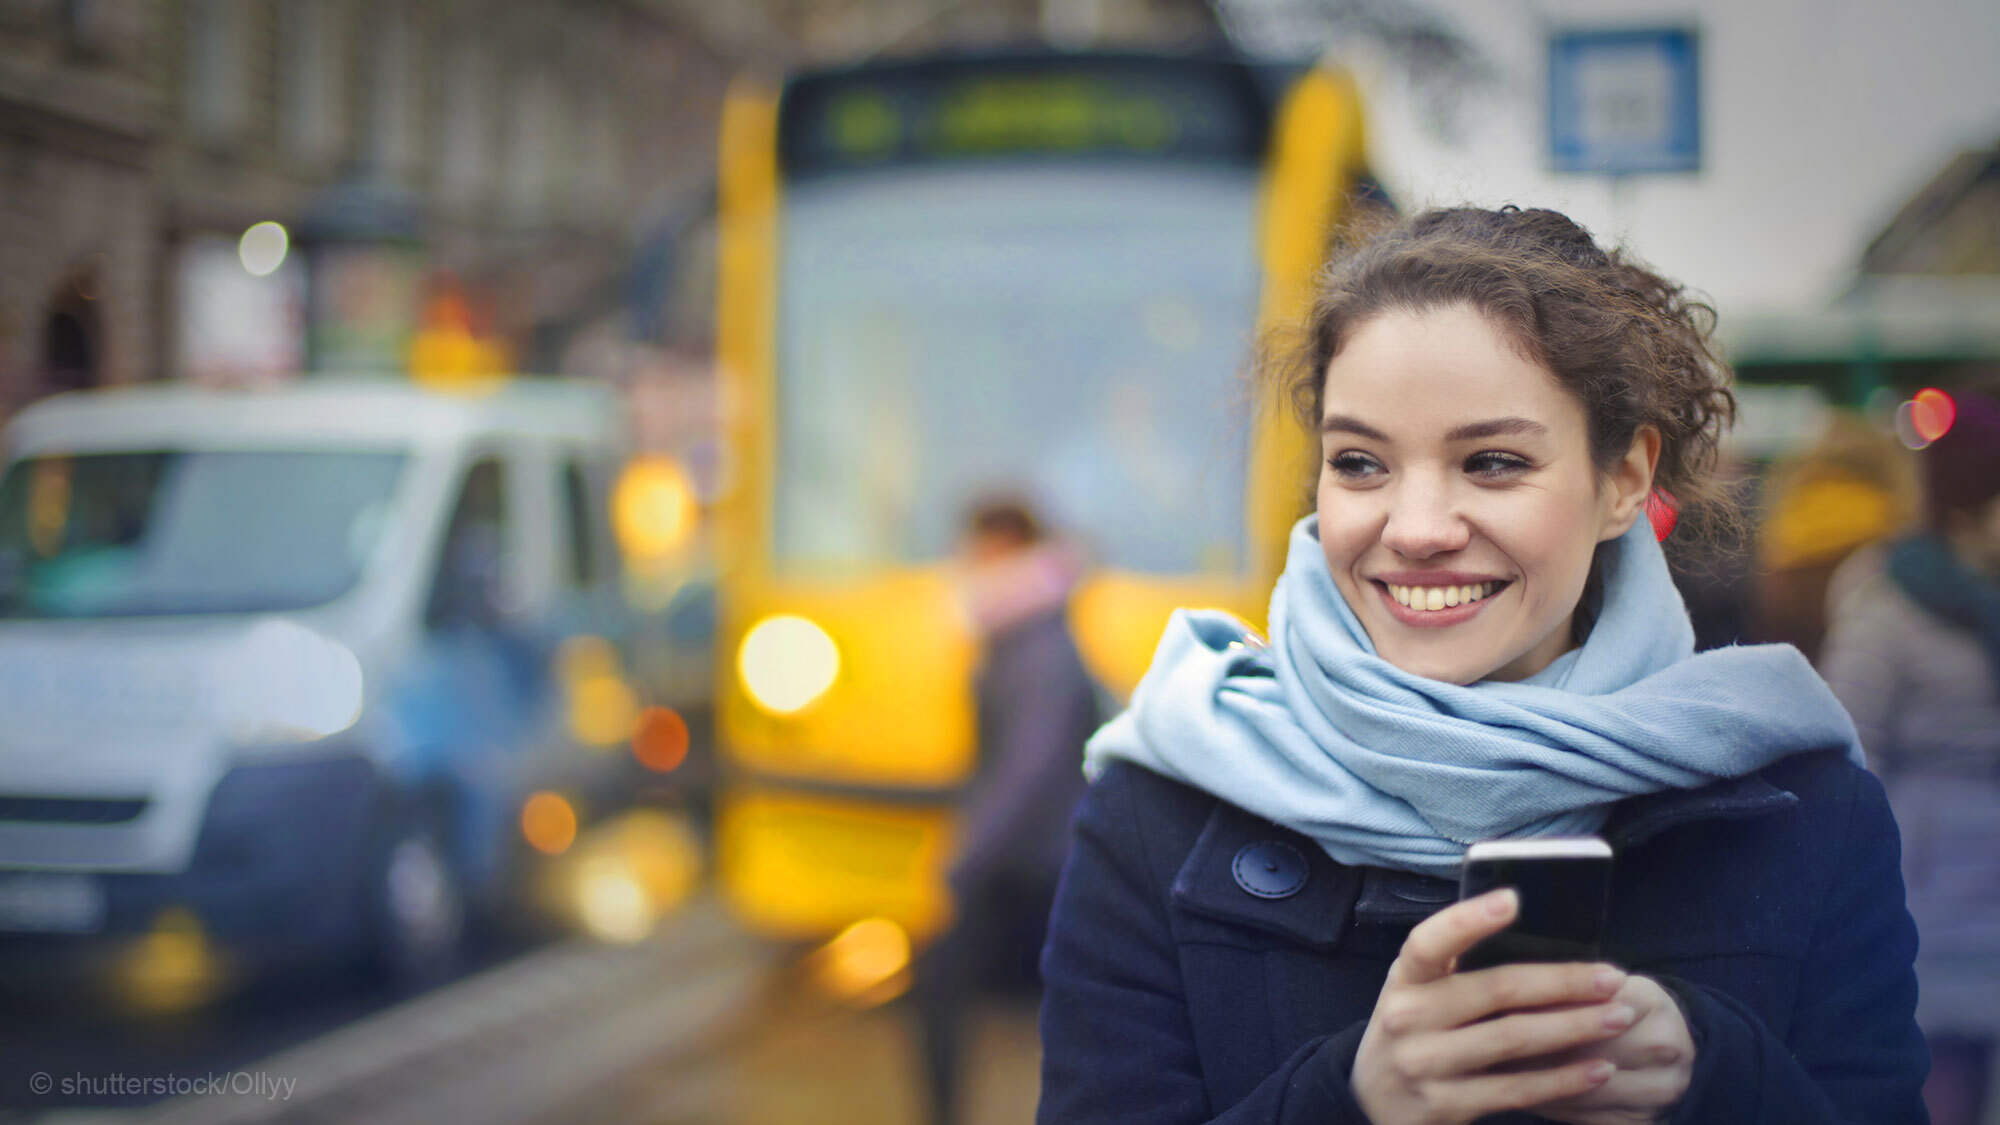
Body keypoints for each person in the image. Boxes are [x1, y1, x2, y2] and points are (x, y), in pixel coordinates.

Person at [1036, 206, 1927, 1124]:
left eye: (1493, 462)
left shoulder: (1807, 808)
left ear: (1622, 480)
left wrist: (1712, 1075)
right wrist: (1352, 1102)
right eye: (1360, 462)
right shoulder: (1157, 808)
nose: (1417, 528)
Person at [1820, 386, 2000, 1125]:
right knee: (1939, 1081)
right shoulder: (1888, 601)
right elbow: (1847, 744)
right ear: (1971, 506)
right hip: (1928, 892)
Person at [914, 497, 1100, 1125]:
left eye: (981, 548)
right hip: (1034, 856)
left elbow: (1028, 769)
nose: (969, 562)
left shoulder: (1038, 643)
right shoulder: (1023, 628)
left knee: (948, 985)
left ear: (1011, 548)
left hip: (1039, 861)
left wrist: (964, 857)